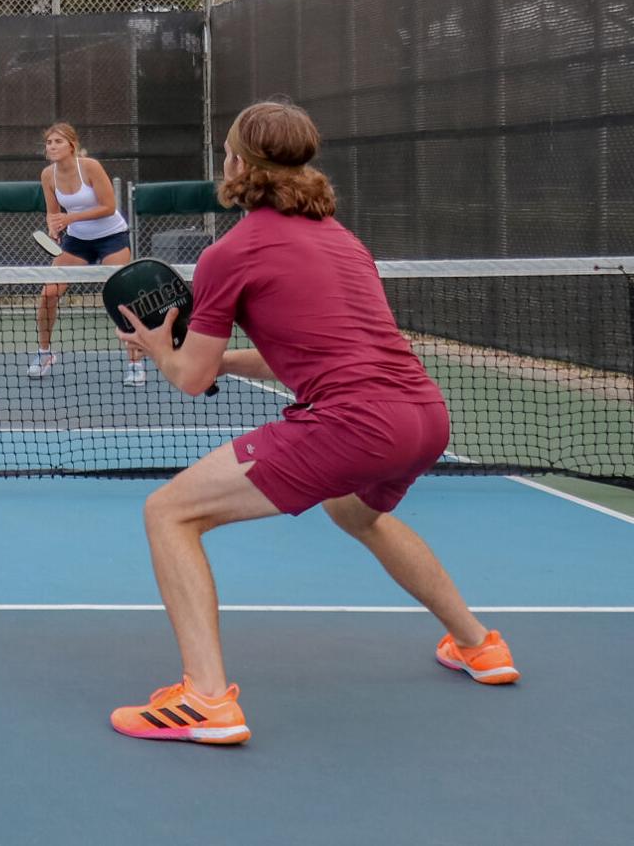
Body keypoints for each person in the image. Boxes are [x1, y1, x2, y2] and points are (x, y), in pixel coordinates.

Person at [109, 101, 515, 746]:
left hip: (353, 424)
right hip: (424, 415)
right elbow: (309, 354)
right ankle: (478, 644)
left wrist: (161, 349)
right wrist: (208, 359)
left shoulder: (230, 253)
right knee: (355, 513)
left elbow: (189, 377)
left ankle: (205, 699)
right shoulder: (345, 242)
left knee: (169, 513)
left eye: (226, 152)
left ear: (236, 164)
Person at [32, 123, 145, 385]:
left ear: (71, 145)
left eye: (58, 141)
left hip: (112, 238)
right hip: (77, 242)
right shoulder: (47, 175)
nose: (52, 146)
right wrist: (54, 227)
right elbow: (52, 213)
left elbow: (109, 206)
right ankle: (44, 353)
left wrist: (70, 218)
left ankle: (136, 363)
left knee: (121, 298)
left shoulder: (90, 167)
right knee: (48, 294)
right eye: (49, 142)